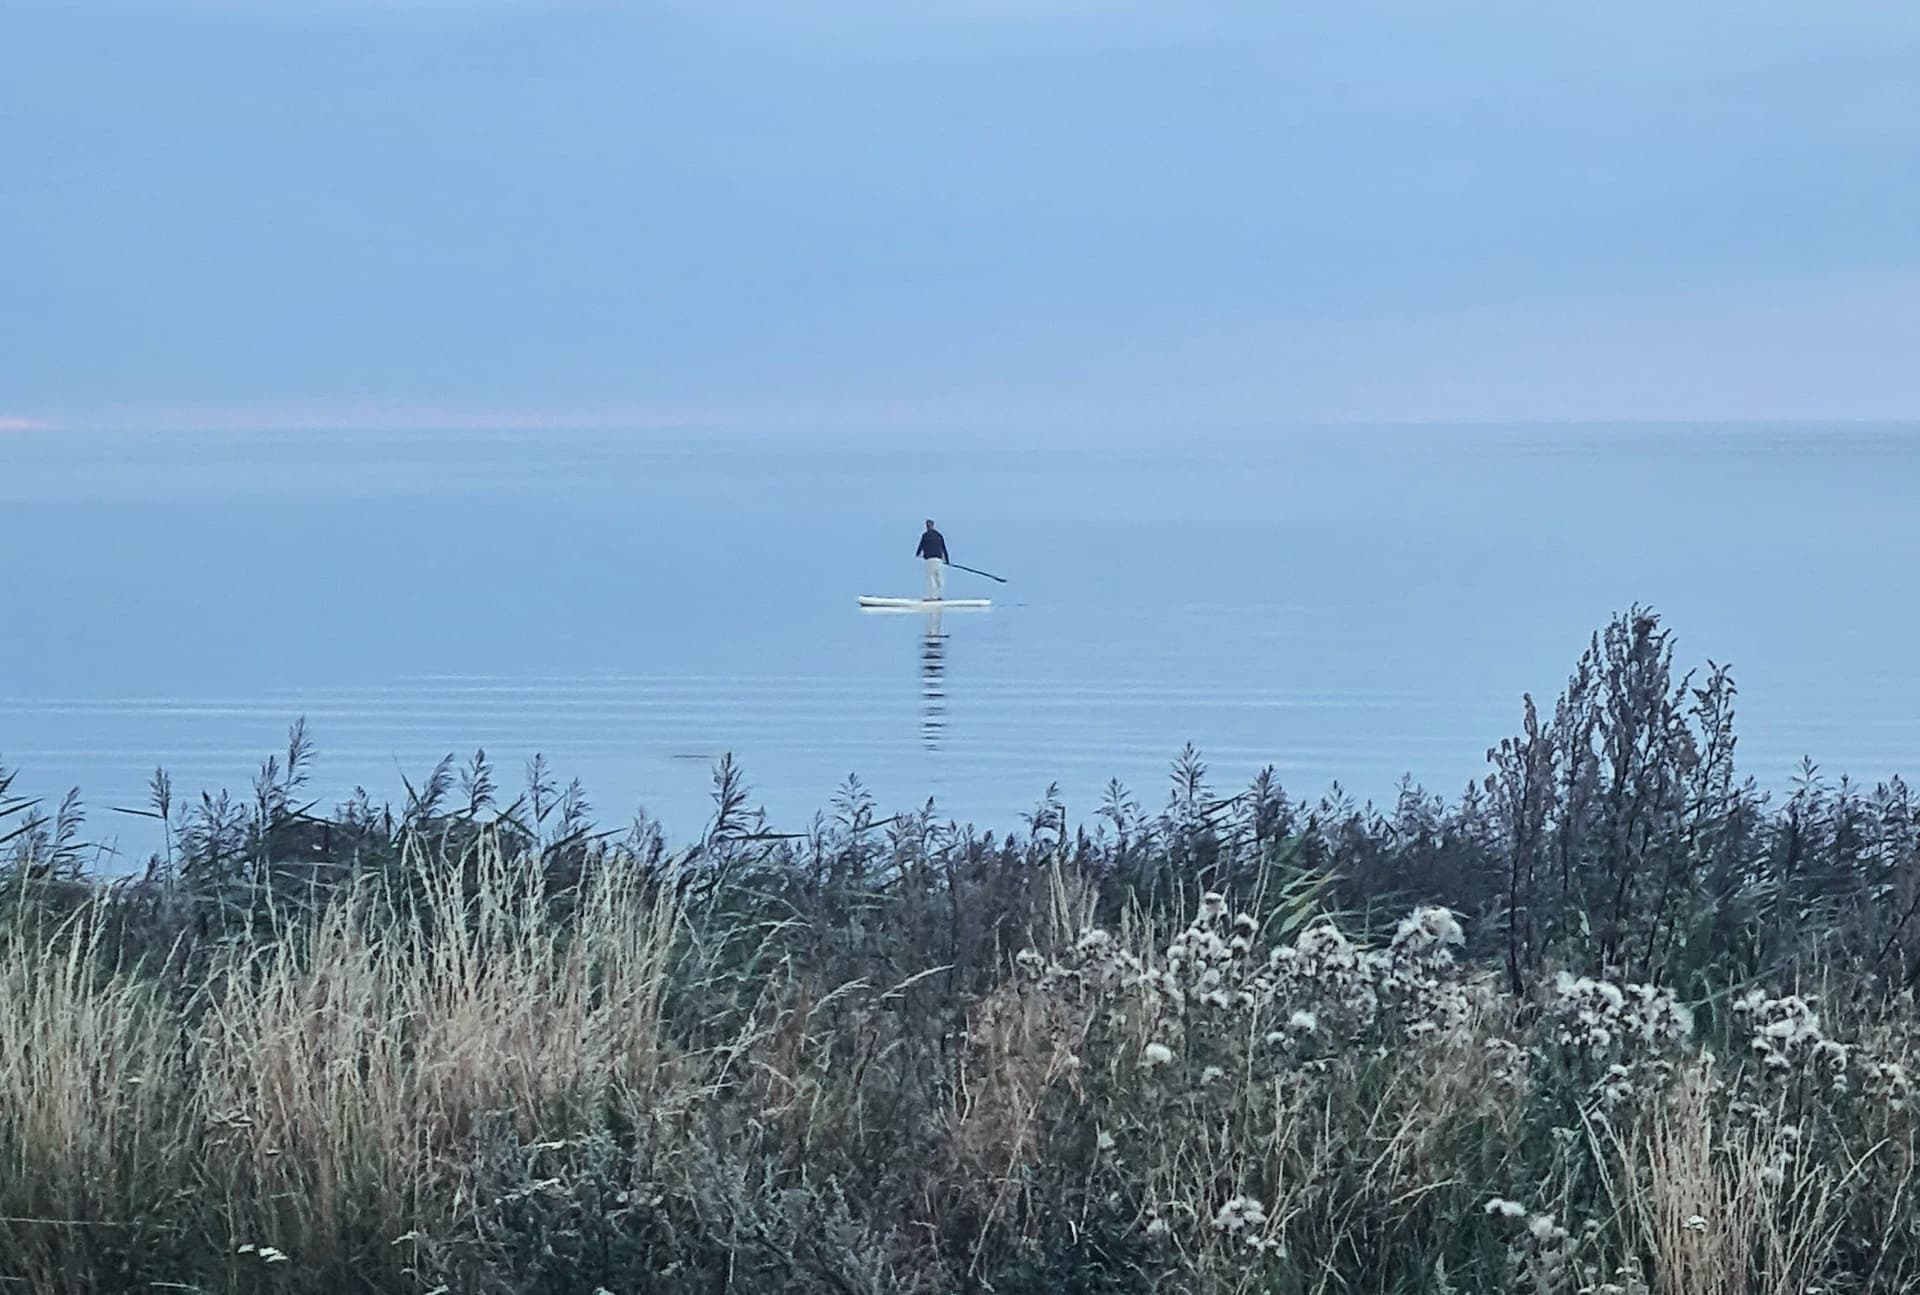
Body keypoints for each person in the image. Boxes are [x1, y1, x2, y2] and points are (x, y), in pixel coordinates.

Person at [915, 519, 948, 600]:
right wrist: (947, 560)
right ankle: (940, 596)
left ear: (927, 526)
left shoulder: (925, 535)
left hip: (929, 560)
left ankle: (932, 597)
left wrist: (917, 554)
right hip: (939, 560)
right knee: (939, 578)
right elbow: (944, 548)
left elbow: (921, 546)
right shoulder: (939, 535)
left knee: (931, 578)